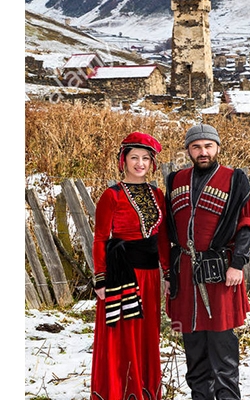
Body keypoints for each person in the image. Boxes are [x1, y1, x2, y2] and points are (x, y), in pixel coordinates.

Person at [159, 123, 250, 400]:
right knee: (193, 344)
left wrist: (237, 263)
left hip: (221, 271)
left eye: (208, 146)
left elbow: (246, 224)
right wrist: (169, 274)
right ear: (188, 150)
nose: (203, 152)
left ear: (217, 148)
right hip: (185, 274)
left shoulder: (235, 179)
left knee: (222, 344)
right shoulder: (175, 180)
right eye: (196, 147)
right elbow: (167, 230)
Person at [90, 132, 167, 400]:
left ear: (153, 163)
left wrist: (167, 273)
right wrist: (100, 279)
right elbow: (100, 237)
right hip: (121, 275)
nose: (140, 163)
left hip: (150, 276)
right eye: (134, 157)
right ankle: (118, 392)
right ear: (123, 160)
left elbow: (163, 239)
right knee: (121, 334)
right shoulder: (111, 195)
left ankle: (144, 390)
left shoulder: (158, 194)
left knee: (146, 334)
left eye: (146, 158)